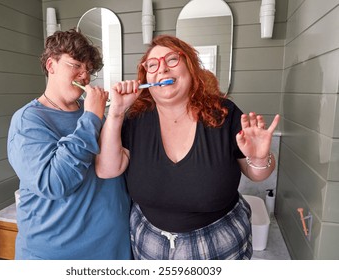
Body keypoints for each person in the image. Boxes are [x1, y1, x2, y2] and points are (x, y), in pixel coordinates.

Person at [95, 34, 280, 260]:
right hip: (149, 242)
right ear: (146, 77)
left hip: (220, 242)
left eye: (172, 59)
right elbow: (107, 170)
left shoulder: (224, 113)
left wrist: (260, 159)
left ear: (190, 67)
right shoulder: (134, 119)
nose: (162, 69)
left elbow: (257, 175)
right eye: (152, 65)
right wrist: (116, 111)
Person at [7, 29, 131, 260]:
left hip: (112, 250)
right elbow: (54, 183)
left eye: (88, 70)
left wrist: (114, 113)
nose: (84, 75)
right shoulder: (28, 120)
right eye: (75, 65)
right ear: (51, 65)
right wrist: (92, 117)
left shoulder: (98, 115)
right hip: (56, 256)